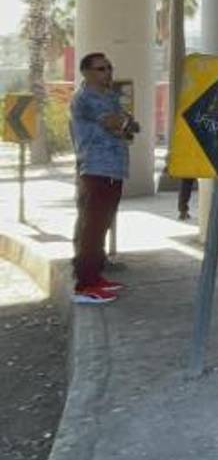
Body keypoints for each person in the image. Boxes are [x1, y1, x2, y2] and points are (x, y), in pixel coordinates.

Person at [69, 52, 137, 304]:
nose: (107, 72)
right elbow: (116, 122)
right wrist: (123, 123)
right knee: (93, 227)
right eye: (101, 68)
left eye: (109, 67)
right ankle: (85, 286)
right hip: (96, 168)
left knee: (102, 225)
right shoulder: (86, 98)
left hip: (113, 169)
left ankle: (95, 277)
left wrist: (124, 124)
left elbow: (127, 126)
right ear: (86, 72)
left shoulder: (109, 97)